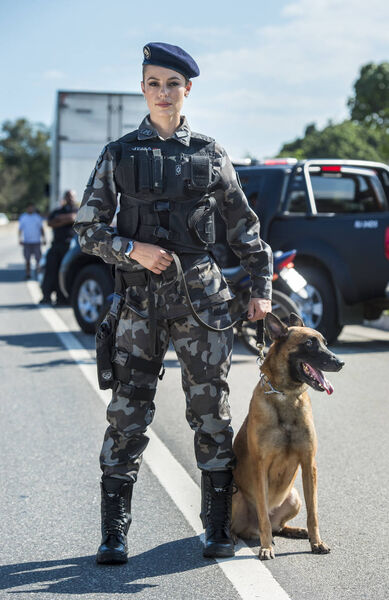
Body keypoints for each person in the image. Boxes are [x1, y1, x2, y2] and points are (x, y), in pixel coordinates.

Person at [74, 42, 273, 564]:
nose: (163, 93)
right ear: (142, 88)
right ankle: (114, 532)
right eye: (154, 83)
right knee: (126, 415)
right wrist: (130, 248)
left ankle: (216, 527)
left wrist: (261, 287)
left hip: (203, 304)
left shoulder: (210, 152)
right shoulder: (118, 153)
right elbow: (86, 232)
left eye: (173, 84)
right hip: (138, 305)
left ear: (188, 89)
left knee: (212, 413)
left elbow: (244, 226)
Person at [40, 190, 77, 304]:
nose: (70, 198)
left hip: (70, 247)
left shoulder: (79, 210)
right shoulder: (57, 211)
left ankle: (63, 298)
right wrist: (67, 219)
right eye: (68, 196)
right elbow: (50, 223)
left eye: (72, 197)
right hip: (56, 246)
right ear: (65, 198)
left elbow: (74, 218)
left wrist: (60, 219)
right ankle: (46, 296)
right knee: (50, 272)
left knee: (67, 273)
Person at [18, 203, 46, 279]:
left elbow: (41, 229)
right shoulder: (23, 217)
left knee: (38, 259)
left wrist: (44, 238)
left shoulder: (37, 217)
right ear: (27, 208)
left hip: (36, 241)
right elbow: (20, 229)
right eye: (29, 208)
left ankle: (38, 273)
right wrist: (20, 239)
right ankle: (28, 273)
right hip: (27, 242)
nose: (30, 209)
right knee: (27, 259)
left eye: (32, 208)